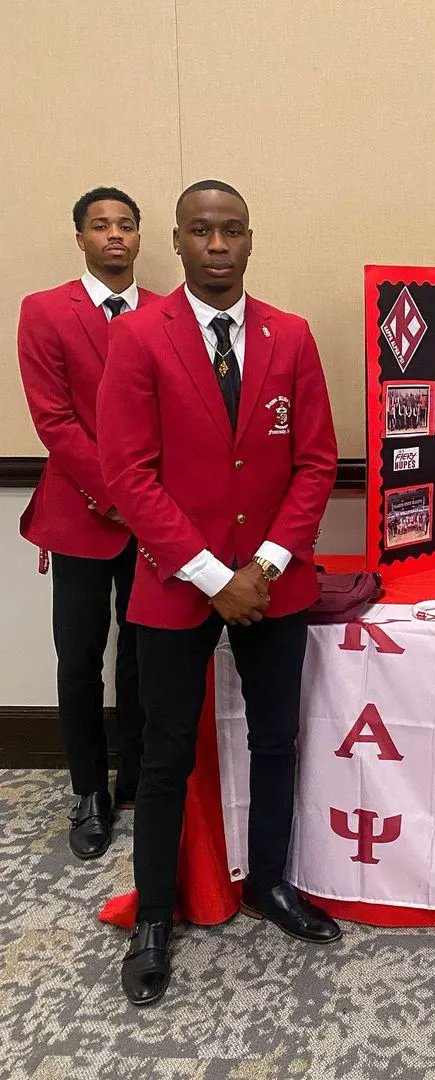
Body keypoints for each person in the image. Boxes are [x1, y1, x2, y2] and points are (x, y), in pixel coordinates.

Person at [97, 180, 341, 1007]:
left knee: (277, 739)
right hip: (177, 583)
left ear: (250, 239)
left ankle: (269, 882)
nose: (217, 245)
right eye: (200, 232)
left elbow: (315, 464)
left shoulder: (293, 337)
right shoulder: (138, 339)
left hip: (274, 581)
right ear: (177, 241)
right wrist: (211, 576)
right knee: (163, 758)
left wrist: (262, 570)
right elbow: (129, 475)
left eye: (231, 230)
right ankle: (156, 921)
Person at [18, 187, 161, 860]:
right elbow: (53, 420)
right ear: (80, 238)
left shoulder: (167, 312)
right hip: (81, 512)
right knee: (79, 659)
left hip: (151, 519)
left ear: (138, 238)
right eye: (100, 225)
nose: (114, 235)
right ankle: (89, 791)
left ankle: (134, 778)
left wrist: (147, 501)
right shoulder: (44, 311)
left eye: (125, 225)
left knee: (143, 654)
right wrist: (116, 494)